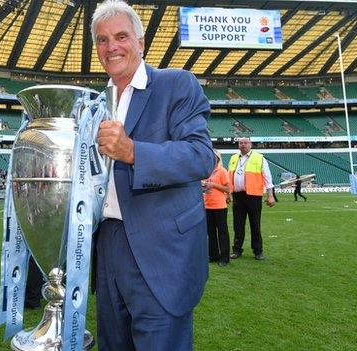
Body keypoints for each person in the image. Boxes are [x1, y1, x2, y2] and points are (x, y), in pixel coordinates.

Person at [92, 1, 215, 349]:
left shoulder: (176, 85)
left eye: (120, 36)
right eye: (102, 40)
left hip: (161, 251)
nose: (111, 47)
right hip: (108, 246)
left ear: (141, 42)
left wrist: (133, 151)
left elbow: (201, 156)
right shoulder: (95, 105)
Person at [228, 138, 275, 261]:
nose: (243, 145)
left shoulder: (259, 158)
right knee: (237, 225)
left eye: (245, 143)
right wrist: (227, 194)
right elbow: (229, 178)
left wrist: (270, 195)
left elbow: (268, 178)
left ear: (250, 144)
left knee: (255, 224)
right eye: (240, 143)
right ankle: (237, 250)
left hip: (253, 196)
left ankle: (258, 251)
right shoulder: (233, 158)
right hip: (237, 196)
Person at [202, 150, 231, 267]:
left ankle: (224, 257)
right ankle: (213, 255)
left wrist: (213, 185)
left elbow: (228, 189)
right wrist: (204, 186)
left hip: (219, 206)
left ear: (218, 159)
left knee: (222, 232)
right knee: (211, 232)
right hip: (207, 205)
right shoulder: (206, 171)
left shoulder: (222, 171)